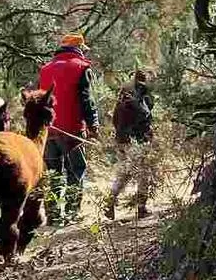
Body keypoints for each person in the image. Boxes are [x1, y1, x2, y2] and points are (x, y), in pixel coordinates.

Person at [37, 32, 100, 226]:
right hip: (72, 129)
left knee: (53, 172)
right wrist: (93, 124)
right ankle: (72, 214)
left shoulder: (45, 69)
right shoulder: (82, 68)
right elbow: (86, 99)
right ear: (79, 49)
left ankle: (53, 215)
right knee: (76, 170)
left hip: (49, 130)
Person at [106, 69, 155, 220]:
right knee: (143, 173)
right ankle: (141, 208)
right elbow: (145, 115)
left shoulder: (123, 95)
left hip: (122, 139)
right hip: (137, 140)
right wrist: (147, 134)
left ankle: (110, 202)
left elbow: (114, 119)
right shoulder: (141, 93)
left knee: (124, 173)